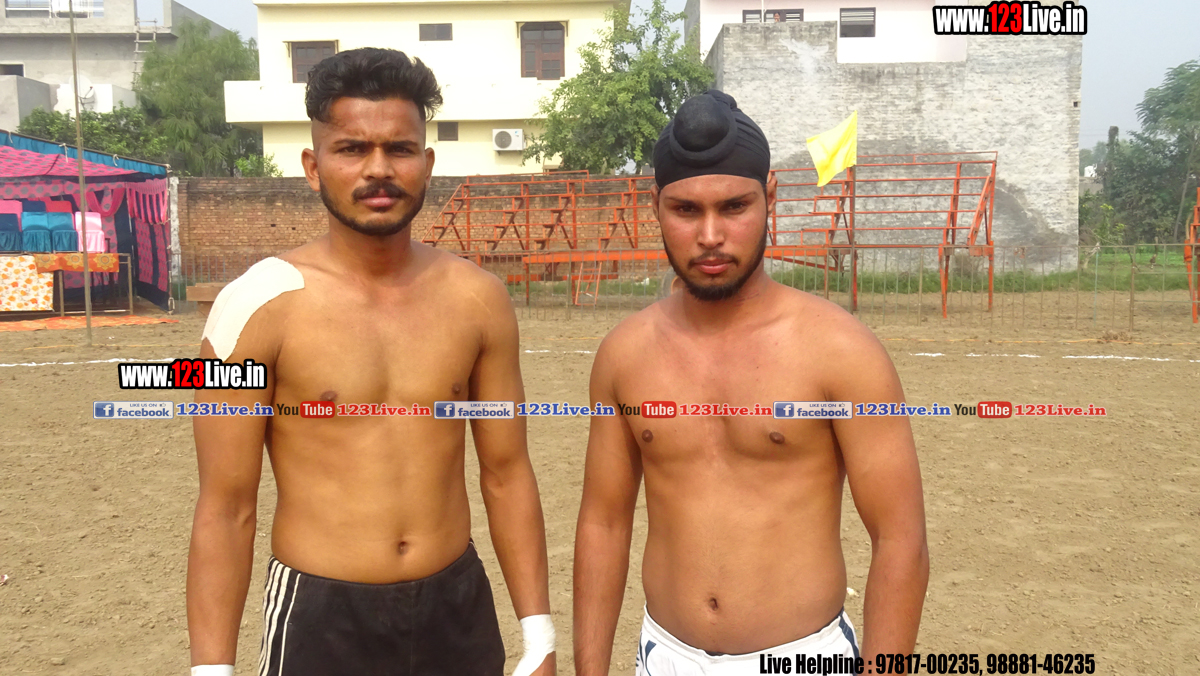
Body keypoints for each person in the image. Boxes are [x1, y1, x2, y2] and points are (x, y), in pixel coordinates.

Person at [186, 48, 555, 676]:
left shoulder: (479, 299)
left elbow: (507, 472)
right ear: (313, 167)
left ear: (427, 164)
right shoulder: (251, 306)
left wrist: (539, 636)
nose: (378, 169)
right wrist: (211, 671)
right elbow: (225, 507)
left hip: (456, 607)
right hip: (322, 618)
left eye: (399, 149)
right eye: (352, 149)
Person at [573, 90, 929, 675]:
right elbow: (603, 524)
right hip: (666, 658)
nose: (711, 235)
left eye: (734, 207)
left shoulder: (841, 351)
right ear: (655, 207)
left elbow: (900, 538)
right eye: (686, 210)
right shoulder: (625, 356)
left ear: (770, 198)